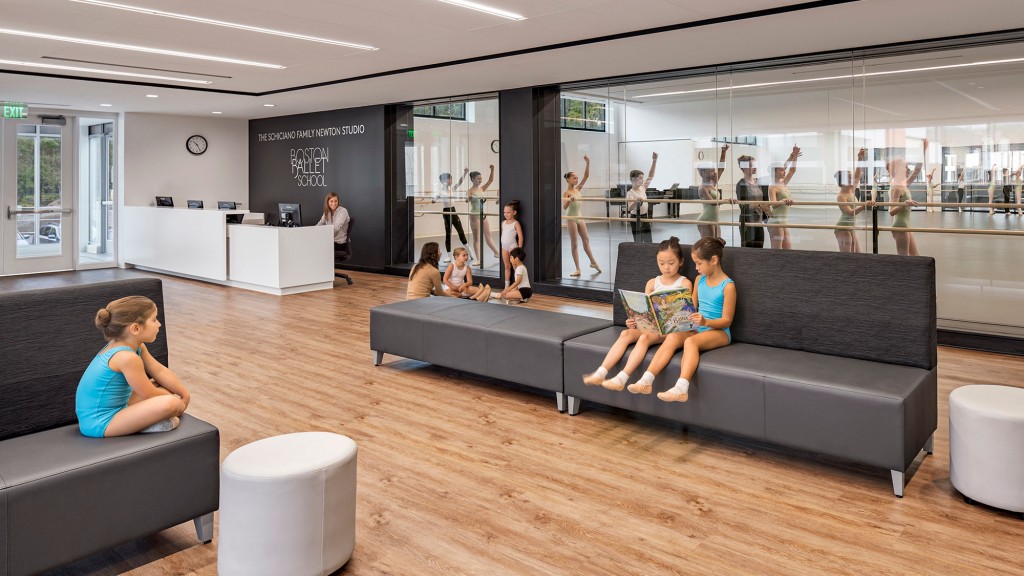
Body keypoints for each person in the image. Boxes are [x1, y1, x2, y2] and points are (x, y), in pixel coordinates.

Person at [581, 236, 693, 392]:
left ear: (681, 261)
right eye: (661, 263)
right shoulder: (652, 283)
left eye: (671, 263)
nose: (666, 267)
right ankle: (601, 372)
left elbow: (685, 312)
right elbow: (644, 309)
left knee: (644, 337)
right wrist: (634, 320)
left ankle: (622, 377)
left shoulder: (684, 283)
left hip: (670, 330)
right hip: (652, 327)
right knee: (626, 334)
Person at [76, 296, 189, 438]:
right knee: (171, 403)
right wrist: (179, 403)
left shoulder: (135, 346)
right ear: (135, 328)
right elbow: (150, 395)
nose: (159, 324)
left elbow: (159, 371)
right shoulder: (126, 357)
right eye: (154, 320)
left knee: (162, 386)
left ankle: (143, 421)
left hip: (117, 405)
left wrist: (184, 394)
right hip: (100, 423)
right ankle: (146, 426)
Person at [657, 236, 736, 403]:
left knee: (690, 343)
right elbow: (690, 308)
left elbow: (727, 321)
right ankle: (647, 378)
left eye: (699, 263)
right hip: (699, 327)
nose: (696, 267)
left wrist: (705, 322)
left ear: (713, 260)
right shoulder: (700, 280)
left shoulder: (728, 286)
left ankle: (681, 388)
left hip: (719, 331)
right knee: (673, 337)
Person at [885, 139, 928, 256]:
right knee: (903, 257)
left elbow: (917, 170)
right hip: (900, 226)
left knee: (915, 256)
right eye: (904, 167)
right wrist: (904, 204)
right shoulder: (896, 188)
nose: (907, 169)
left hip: (905, 225)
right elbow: (891, 211)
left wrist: (923, 151)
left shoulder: (904, 184)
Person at [562, 156, 601, 276]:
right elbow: (564, 207)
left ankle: (593, 262)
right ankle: (577, 269)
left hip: (579, 217)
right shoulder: (566, 192)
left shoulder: (578, 189)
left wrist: (588, 163)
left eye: (577, 178)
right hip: (571, 218)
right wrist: (569, 199)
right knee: (574, 243)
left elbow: (586, 176)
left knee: (586, 240)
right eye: (574, 178)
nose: (576, 180)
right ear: (568, 179)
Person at [433, 172, 473, 263]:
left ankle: (470, 252)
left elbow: (459, 182)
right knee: (448, 234)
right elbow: (434, 199)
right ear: (444, 181)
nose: (451, 181)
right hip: (446, 212)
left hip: (453, 211)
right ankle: (448, 256)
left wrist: (465, 173)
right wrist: (434, 199)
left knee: (461, 232)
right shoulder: (440, 191)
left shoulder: (452, 189)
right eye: (449, 179)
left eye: (451, 179)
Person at [835, 148, 869, 253]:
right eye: (850, 178)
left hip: (851, 227)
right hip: (843, 228)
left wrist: (860, 159)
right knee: (847, 257)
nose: (853, 180)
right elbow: (849, 212)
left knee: (858, 254)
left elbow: (858, 175)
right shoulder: (841, 196)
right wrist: (864, 205)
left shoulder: (851, 190)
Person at [466, 166, 501, 265]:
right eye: (478, 179)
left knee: (488, 236)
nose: (480, 180)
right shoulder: (470, 191)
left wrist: (492, 169)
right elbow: (466, 199)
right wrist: (469, 197)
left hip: (483, 215)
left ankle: (497, 253)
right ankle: (479, 259)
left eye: (481, 179)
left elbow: (490, 180)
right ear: (472, 179)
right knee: (476, 238)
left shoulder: (481, 188)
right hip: (474, 215)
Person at [768, 145, 801, 250]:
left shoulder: (783, 183)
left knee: (788, 250)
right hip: (775, 221)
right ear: (774, 172)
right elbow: (773, 204)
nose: (784, 171)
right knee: (777, 251)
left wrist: (794, 156)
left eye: (783, 170)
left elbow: (792, 170)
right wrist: (783, 201)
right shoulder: (772, 187)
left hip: (783, 221)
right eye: (781, 170)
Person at [736, 154, 769, 248]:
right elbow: (743, 205)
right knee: (748, 250)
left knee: (759, 249)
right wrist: (760, 205)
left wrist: (792, 157)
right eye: (752, 165)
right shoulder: (741, 184)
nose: (755, 167)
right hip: (748, 222)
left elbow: (775, 173)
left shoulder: (758, 182)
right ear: (745, 168)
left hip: (758, 222)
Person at [626, 152, 659, 243]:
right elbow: (630, 207)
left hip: (645, 217)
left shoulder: (642, 188)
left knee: (648, 240)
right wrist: (636, 202)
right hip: (635, 218)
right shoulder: (630, 193)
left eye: (642, 178)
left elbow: (651, 176)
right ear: (633, 179)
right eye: (640, 178)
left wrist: (654, 161)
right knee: (638, 241)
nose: (642, 180)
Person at [500, 201, 524, 288]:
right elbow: (504, 235)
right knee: (507, 266)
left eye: (508, 212)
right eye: (504, 212)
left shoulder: (516, 223)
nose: (506, 214)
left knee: (515, 267)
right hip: (504, 248)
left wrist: (519, 249)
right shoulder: (503, 223)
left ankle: (517, 286)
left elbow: (520, 237)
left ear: (514, 212)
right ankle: (507, 286)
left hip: (513, 247)